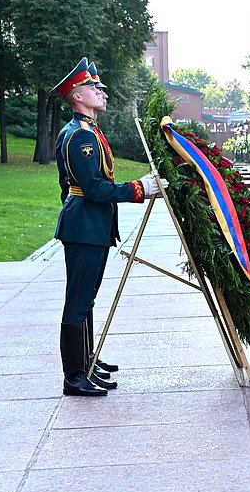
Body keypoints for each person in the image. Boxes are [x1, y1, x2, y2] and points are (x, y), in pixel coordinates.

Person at [50, 57, 167, 396]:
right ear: (76, 97)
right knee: (78, 300)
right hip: (84, 225)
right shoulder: (78, 137)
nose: (101, 92)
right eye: (92, 88)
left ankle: (85, 361)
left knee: (86, 298)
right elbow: (95, 188)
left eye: (99, 87)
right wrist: (139, 189)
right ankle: (74, 376)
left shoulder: (89, 132)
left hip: (90, 223)